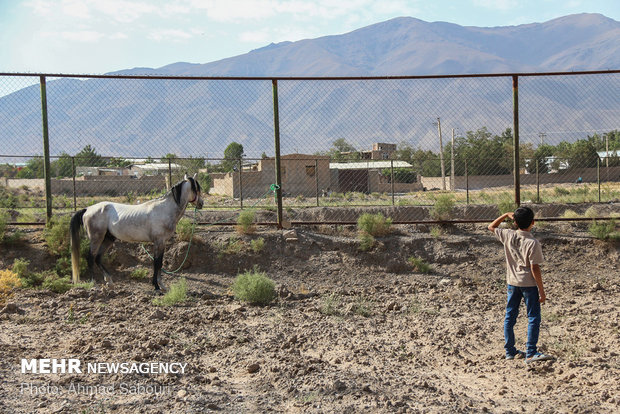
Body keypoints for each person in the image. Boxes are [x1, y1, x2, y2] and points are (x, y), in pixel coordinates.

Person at [488, 206, 555, 364]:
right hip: (528, 284)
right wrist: (542, 291)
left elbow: (491, 226)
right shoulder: (532, 242)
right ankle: (531, 352)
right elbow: (534, 268)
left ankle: (509, 351)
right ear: (533, 222)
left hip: (512, 282)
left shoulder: (508, 235)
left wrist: (504, 214)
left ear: (515, 222)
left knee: (510, 316)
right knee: (533, 317)